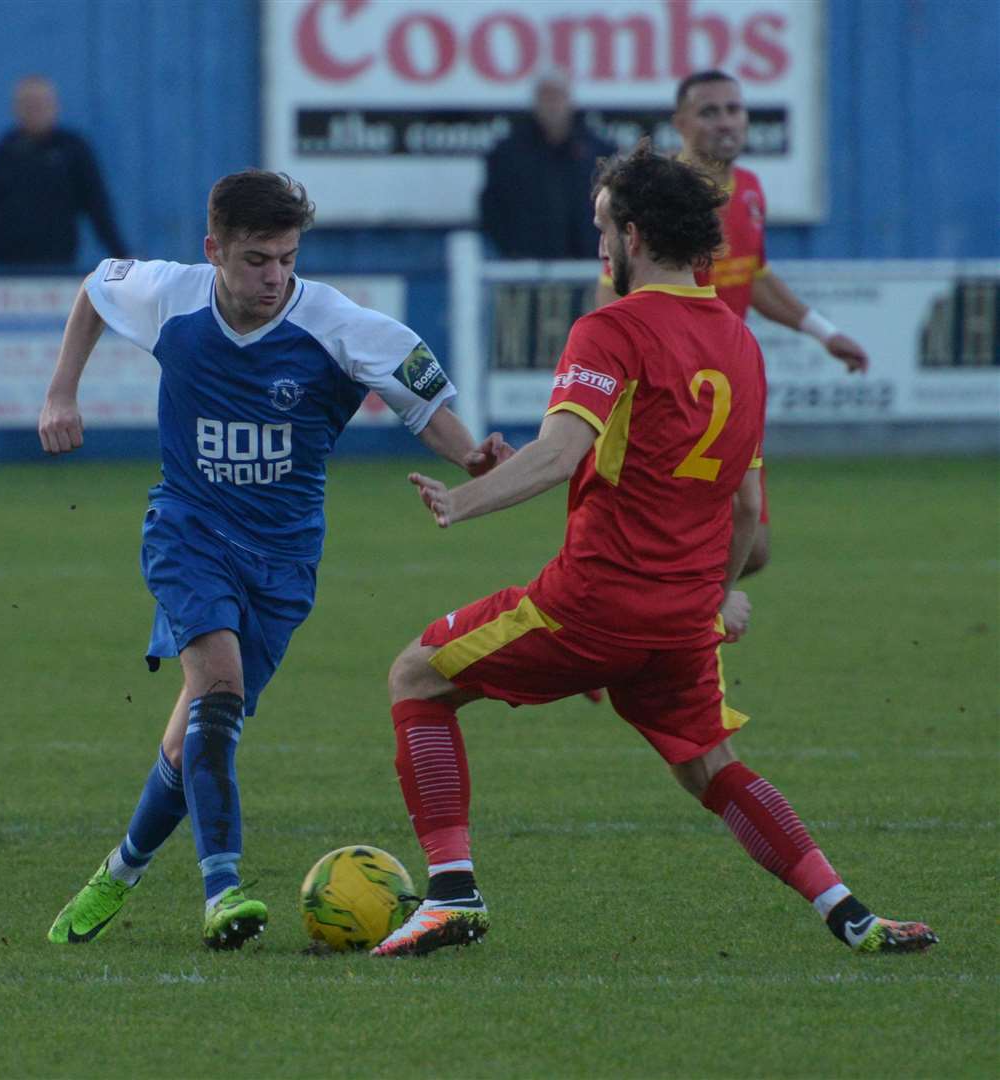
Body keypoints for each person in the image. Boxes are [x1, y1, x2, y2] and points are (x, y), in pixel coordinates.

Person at [370, 142, 935, 959]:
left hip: (594, 602)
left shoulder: (613, 329)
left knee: (416, 675)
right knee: (711, 766)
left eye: (602, 227)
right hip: (679, 620)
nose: (598, 245)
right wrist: (711, 597)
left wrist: (462, 501)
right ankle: (851, 914)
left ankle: (451, 893)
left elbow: (561, 451)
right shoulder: (739, 343)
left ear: (632, 235)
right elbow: (747, 509)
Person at [40, 169, 508, 950]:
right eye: (257, 259)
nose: (275, 277)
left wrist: (475, 459)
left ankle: (116, 873)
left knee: (194, 732)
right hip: (189, 530)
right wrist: (61, 393)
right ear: (213, 250)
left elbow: (423, 405)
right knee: (216, 687)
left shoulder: (335, 324)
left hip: (284, 562)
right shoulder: (172, 296)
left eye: (288, 258)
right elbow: (95, 286)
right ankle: (222, 889)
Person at [596, 70, 868, 576]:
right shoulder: (660, 197)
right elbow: (613, 284)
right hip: (670, 389)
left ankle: (666, 619)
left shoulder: (748, 190)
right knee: (690, 541)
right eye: (710, 111)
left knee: (751, 547)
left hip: (728, 384)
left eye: (734, 109)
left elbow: (755, 277)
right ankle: (662, 626)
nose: (726, 121)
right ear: (680, 123)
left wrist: (824, 333)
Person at [0, 76, 128, 267]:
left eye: (41, 104)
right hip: (7, 267)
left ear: (55, 107)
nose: (34, 110)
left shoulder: (73, 150)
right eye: (28, 104)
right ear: (16, 109)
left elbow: (97, 206)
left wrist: (121, 255)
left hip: (56, 265)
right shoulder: (3, 151)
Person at [479, 70, 616, 259]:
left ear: (570, 101)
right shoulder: (507, 154)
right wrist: (512, 250)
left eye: (557, 96)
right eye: (546, 97)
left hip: (587, 265)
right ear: (535, 102)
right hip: (524, 267)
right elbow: (492, 207)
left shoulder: (599, 152)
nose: (552, 105)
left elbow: (615, 205)